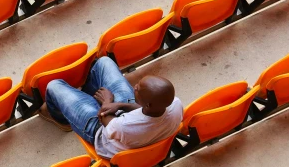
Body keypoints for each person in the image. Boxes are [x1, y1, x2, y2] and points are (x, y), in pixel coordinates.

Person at [39, 56, 183, 159]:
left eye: (138, 89)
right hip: (128, 124)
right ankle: (89, 94)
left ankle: (62, 120)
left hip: (102, 132)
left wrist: (107, 101)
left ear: (148, 103)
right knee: (104, 62)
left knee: (54, 86)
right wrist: (119, 104)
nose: (135, 86)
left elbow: (103, 117)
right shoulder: (175, 105)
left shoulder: (125, 126)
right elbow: (143, 111)